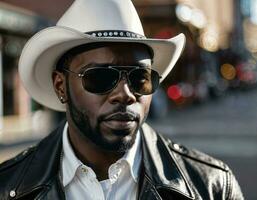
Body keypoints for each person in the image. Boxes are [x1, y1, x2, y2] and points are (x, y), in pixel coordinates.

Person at [0, 0, 244, 199]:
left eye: (140, 78)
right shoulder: (8, 186)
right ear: (60, 85)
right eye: (101, 77)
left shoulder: (212, 187)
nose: (125, 94)